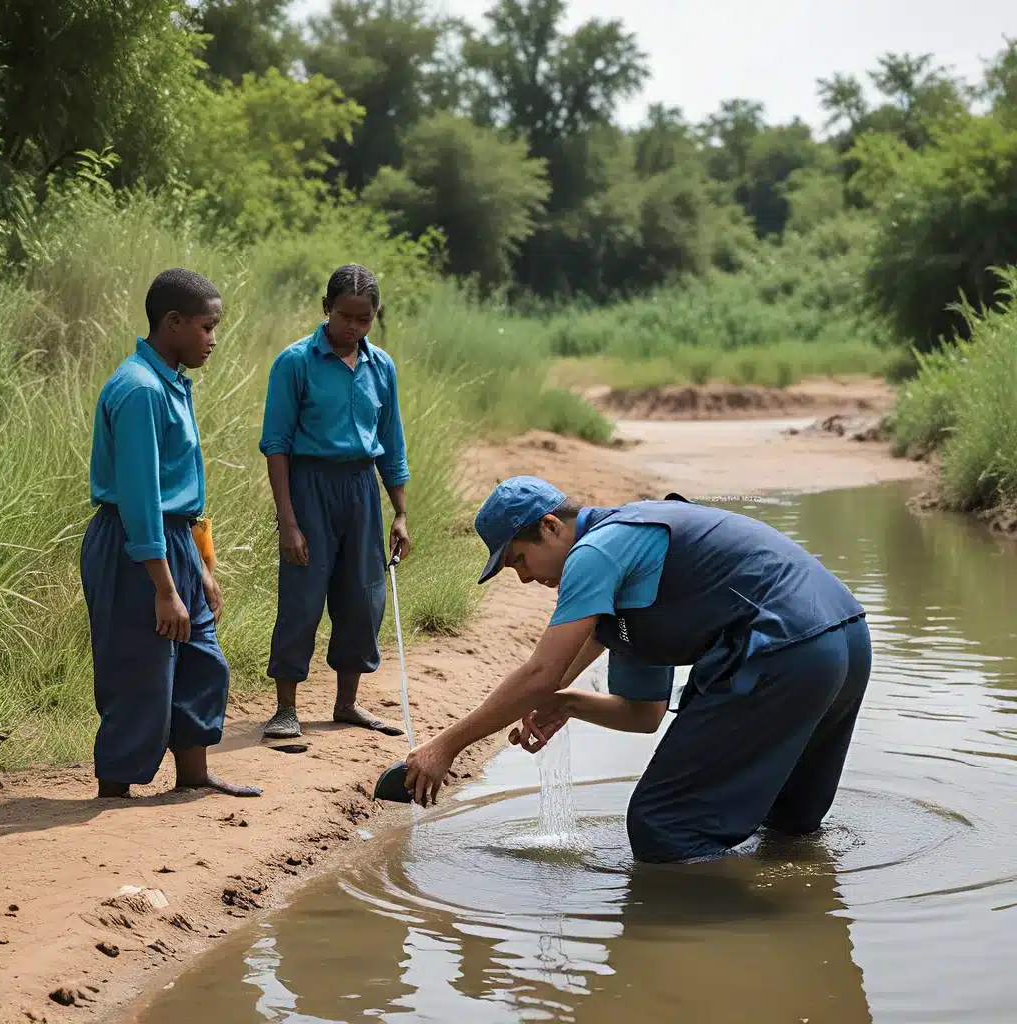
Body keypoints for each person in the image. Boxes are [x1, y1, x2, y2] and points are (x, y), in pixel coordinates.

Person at [403, 476, 872, 864]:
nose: (524, 578)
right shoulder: (629, 586)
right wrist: (565, 702)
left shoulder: (596, 551)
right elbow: (642, 713)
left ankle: (707, 948)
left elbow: (540, 672)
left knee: (663, 826)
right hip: (843, 642)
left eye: (518, 560)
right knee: (787, 824)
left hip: (785, 648)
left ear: (550, 527)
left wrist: (445, 747)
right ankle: (797, 928)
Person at [81, 268, 261, 800]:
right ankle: (114, 791)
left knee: (202, 660)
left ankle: (194, 774)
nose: (213, 339)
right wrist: (163, 588)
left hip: (175, 542)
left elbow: (182, 492)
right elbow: (139, 499)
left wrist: (201, 569)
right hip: (135, 546)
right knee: (139, 671)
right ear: (173, 322)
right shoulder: (138, 390)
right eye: (207, 327)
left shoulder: (172, 382)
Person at [259, 264, 411, 741]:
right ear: (326, 309)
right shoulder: (295, 362)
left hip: (362, 489)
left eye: (364, 319)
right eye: (345, 316)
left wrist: (401, 512)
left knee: (364, 598)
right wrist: (288, 521)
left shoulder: (380, 366)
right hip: (310, 487)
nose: (353, 328)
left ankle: (347, 703)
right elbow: (277, 444)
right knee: (302, 598)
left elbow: (392, 442)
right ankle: (286, 708)